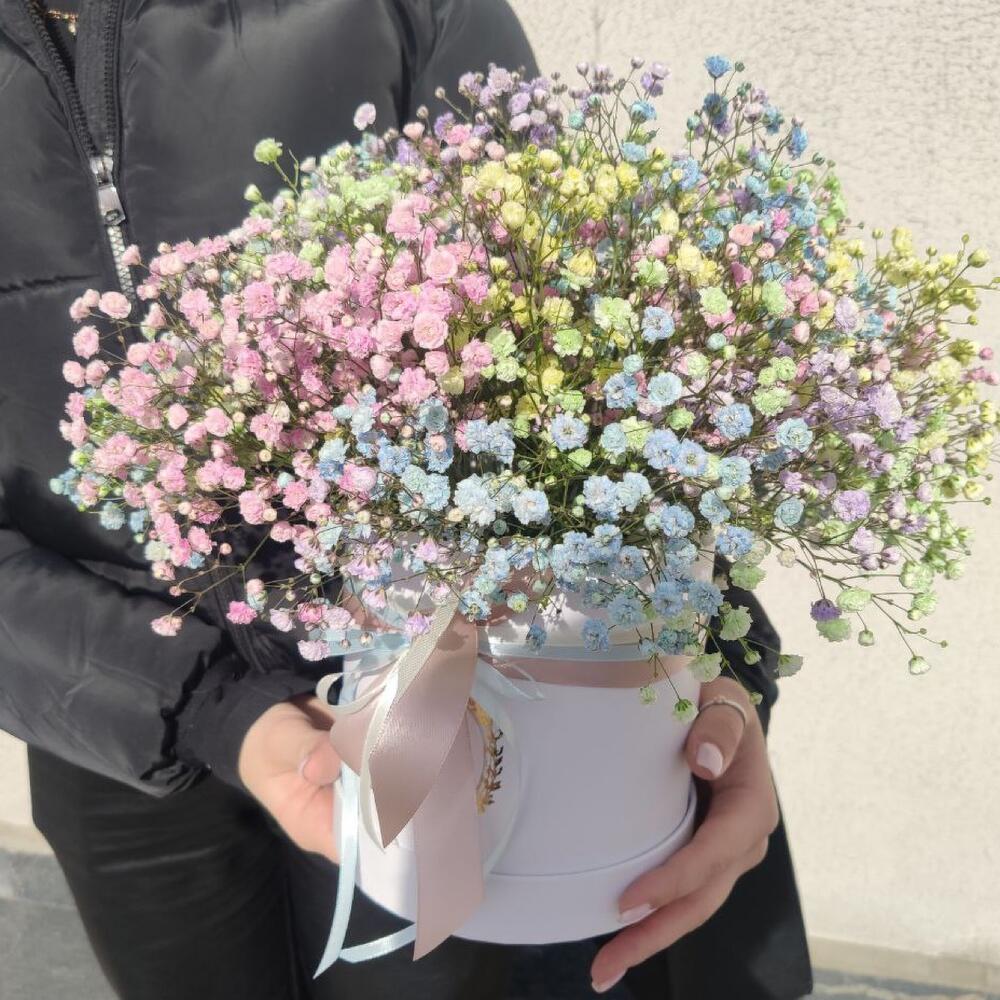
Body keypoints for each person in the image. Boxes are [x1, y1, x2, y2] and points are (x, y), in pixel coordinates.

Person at [0, 1, 813, 997]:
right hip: (103, 709)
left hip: (434, 678)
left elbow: (582, 353)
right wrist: (204, 707)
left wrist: (711, 659)